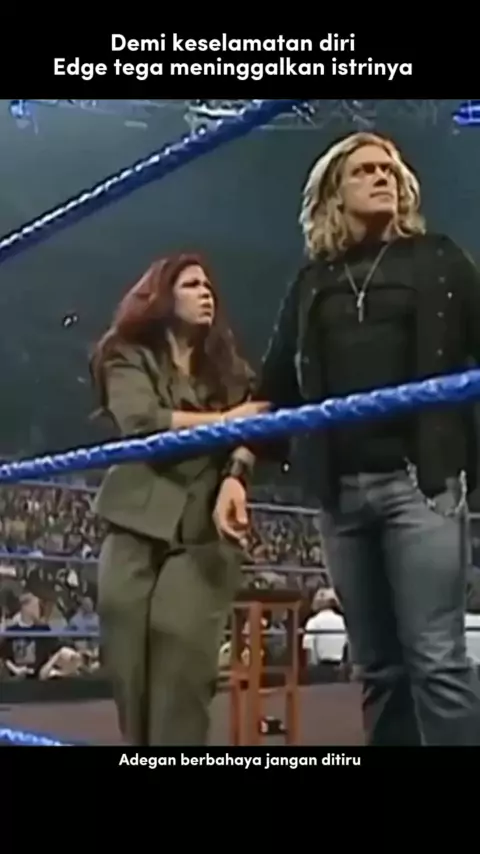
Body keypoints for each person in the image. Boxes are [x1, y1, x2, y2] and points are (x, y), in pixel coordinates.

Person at [214, 131, 480, 745]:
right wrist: (238, 471)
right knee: (379, 667)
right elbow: (275, 389)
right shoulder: (314, 281)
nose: (382, 176)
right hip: (340, 493)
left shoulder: (438, 259)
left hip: (422, 484)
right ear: (334, 193)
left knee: (436, 659)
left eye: (389, 169)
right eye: (364, 170)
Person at [90, 252, 267, 745]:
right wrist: (225, 421)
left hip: (203, 529)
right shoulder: (126, 354)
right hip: (134, 521)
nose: (206, 293)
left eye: (208, 286)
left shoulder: (229, 370)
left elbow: (261, 425)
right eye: (191, 285)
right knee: (128, 664)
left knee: (182, 662)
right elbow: (141, 421)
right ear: (162, 297)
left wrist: (237, 473)